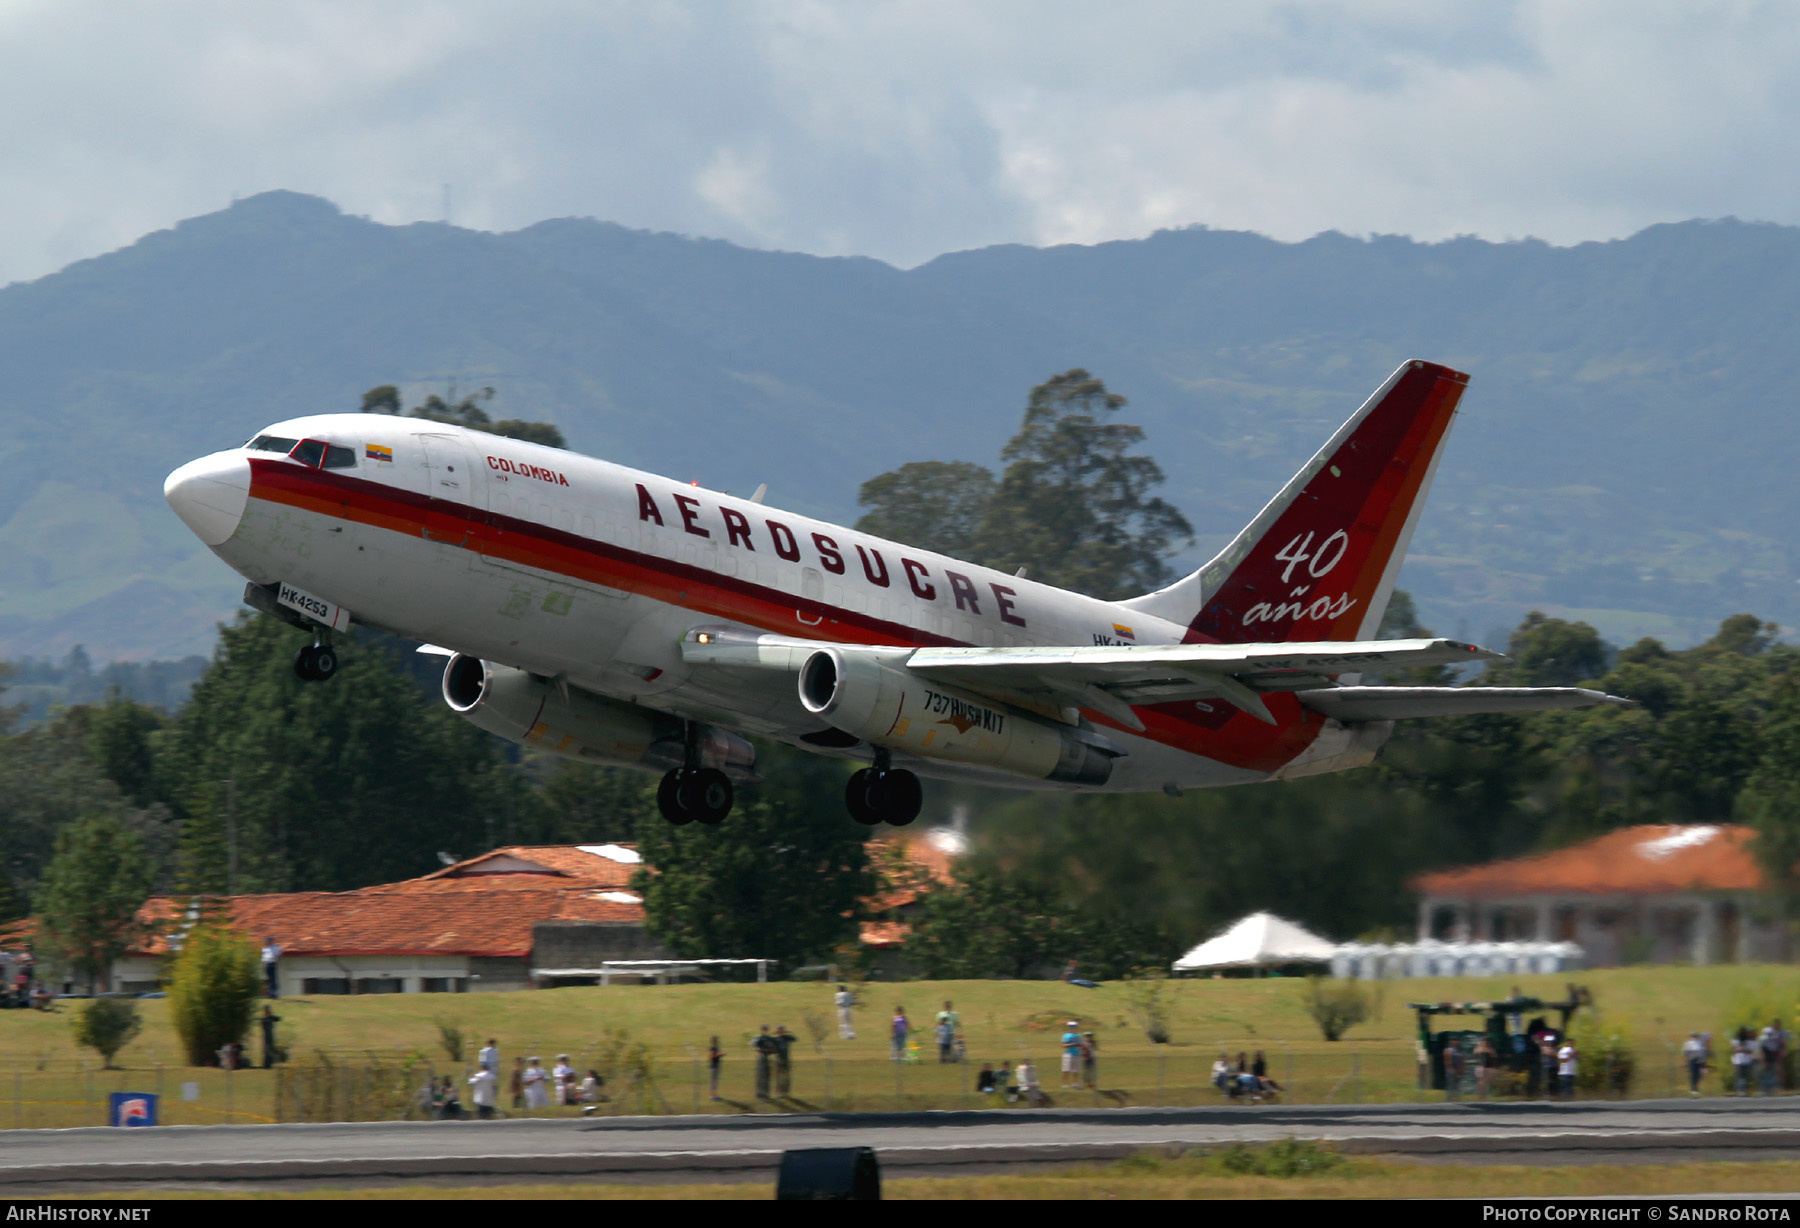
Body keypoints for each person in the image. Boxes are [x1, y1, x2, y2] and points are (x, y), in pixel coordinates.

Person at [752, 1025, 778, 1098]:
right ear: (761, 1030)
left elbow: (774, 1047)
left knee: (767, 1075)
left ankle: (766, 1093)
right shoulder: (758, 1037)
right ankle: (760, 1093)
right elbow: (754, 1046)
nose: (765, 1030)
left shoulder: (769, 1038)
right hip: (761, 1057)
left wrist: (772, 1051)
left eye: (766, 1029)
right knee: (761, 1075)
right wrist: (763, 1050)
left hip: (767, 1057)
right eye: (764, 1029)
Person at [1760, 1021, 1785, 1096]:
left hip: (1773, 1058)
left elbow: (1779, 1047)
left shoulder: (1773, 1039)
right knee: (1768, 1074)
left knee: (1772, 1073)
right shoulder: (1765, 1040)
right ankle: (1766, 1089)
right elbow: (1763, 1050)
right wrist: (1764, 1061)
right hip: (1768, 1058)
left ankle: (1771, 1089)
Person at [772, 1025, 796, 1097]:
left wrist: (788, 1033)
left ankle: (785, 1092)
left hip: (786, 1059)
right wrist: (774, 1033)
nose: (780, 1031)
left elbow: (794, 1038)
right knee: (779, 1076)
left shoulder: (786, 1038)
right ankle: (779, 1092)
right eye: (779, 1030)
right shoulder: (775, 1039)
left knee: (786, 1076)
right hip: (779, 1059)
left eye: (781, 1030)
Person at [1733, 1028, 1757, 1096]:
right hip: (1739, 1061)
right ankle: (1740, 1091)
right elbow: (1734, 1050)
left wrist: (1743, 1050)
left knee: (1745, 1077)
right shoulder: (1736, 1041)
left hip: (1746, 1061)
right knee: (1740, 1077)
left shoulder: (1749, 1042)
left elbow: (1750, 1051)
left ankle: (1744, 1091)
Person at [1060, 1021, 1082, 1089]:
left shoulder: (1078, 1036)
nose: (1073, 1028)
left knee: (1076, 1070)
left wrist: (1078, 1045)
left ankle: (1075, 1083)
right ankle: (1065, 1084)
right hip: (1068, 1054)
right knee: (1066, 1069)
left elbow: (1080, 1044)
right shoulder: (1066, 1035)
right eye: (1071, 1027)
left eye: (1074, 1027)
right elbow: (1063, 1045)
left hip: (1076, 1054)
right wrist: (1072, 1044)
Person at [259, 1005, 281, 1069]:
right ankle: (266, 1065)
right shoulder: (264, 1020)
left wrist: (271, 1016)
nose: (268, 1012)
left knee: (271, 1051)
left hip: (271, 1037)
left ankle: (270, 1065)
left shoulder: (271, 1018)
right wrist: (269, 1017)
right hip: (266, 1038)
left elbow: (278, 1019)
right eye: (267, 1011)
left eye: (268, 1011)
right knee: (267, 1051)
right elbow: (264, 1023)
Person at [708, 1036, 723, 1102]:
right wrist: (719, 1054)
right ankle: (712, 1096)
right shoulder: (712, 1048)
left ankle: (715, 1095)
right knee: (713, 1082)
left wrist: (719, 1054)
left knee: (715, 1082)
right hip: (713, 1067)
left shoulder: (716, 1048)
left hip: (716, 1067)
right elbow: (711, 1056)